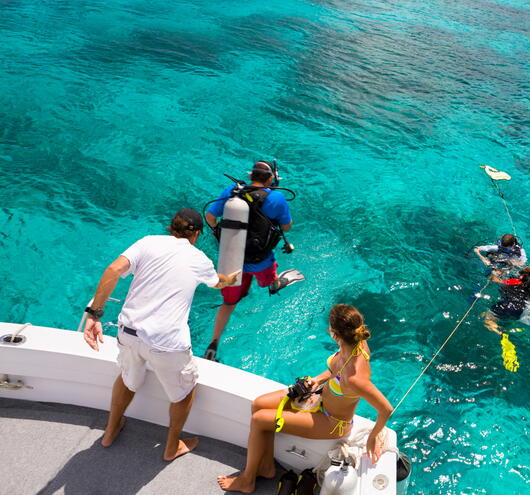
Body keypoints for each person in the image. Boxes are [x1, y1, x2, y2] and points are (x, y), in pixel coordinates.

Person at [83, 209, 239, 461]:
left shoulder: (147, 242)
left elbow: (113, 271)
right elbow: (217, 282)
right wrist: (230, 280)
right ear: (197, 234)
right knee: (184, 393)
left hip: (129, 332)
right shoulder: (199, 259)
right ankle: (171, 447)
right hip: (166, 342)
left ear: (171, 228)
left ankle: (110, 432)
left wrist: (94, 313)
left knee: (127, 378)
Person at [217, 304, 393, 493]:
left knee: (259, 420)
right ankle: (266, 467)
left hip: (331, 422)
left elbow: (386, 409)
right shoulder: (355, 343)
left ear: (334, 333)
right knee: (258, 404)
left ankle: (247, 479)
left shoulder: (356, 378)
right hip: (318, 399)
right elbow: (336, 371)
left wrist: (373, 437)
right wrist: (317, 380)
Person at [204, 161, 304, 361]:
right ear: (270, 179)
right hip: (261, 260)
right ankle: (274, 284)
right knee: (268, 280)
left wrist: (219, 234)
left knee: (229, 302)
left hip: (231, 260)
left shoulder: (232, 191)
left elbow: (210, 216)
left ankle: (213, 343)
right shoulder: (276, 197)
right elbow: (287, 227)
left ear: (251, 176)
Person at [483, 265, 530, 335]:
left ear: (523, 275)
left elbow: (495, 280)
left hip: (510, 306)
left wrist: (492, 273)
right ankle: (510, 330)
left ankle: (499, 333)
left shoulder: (515, 281)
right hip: (526, 310)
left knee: (488, 316)